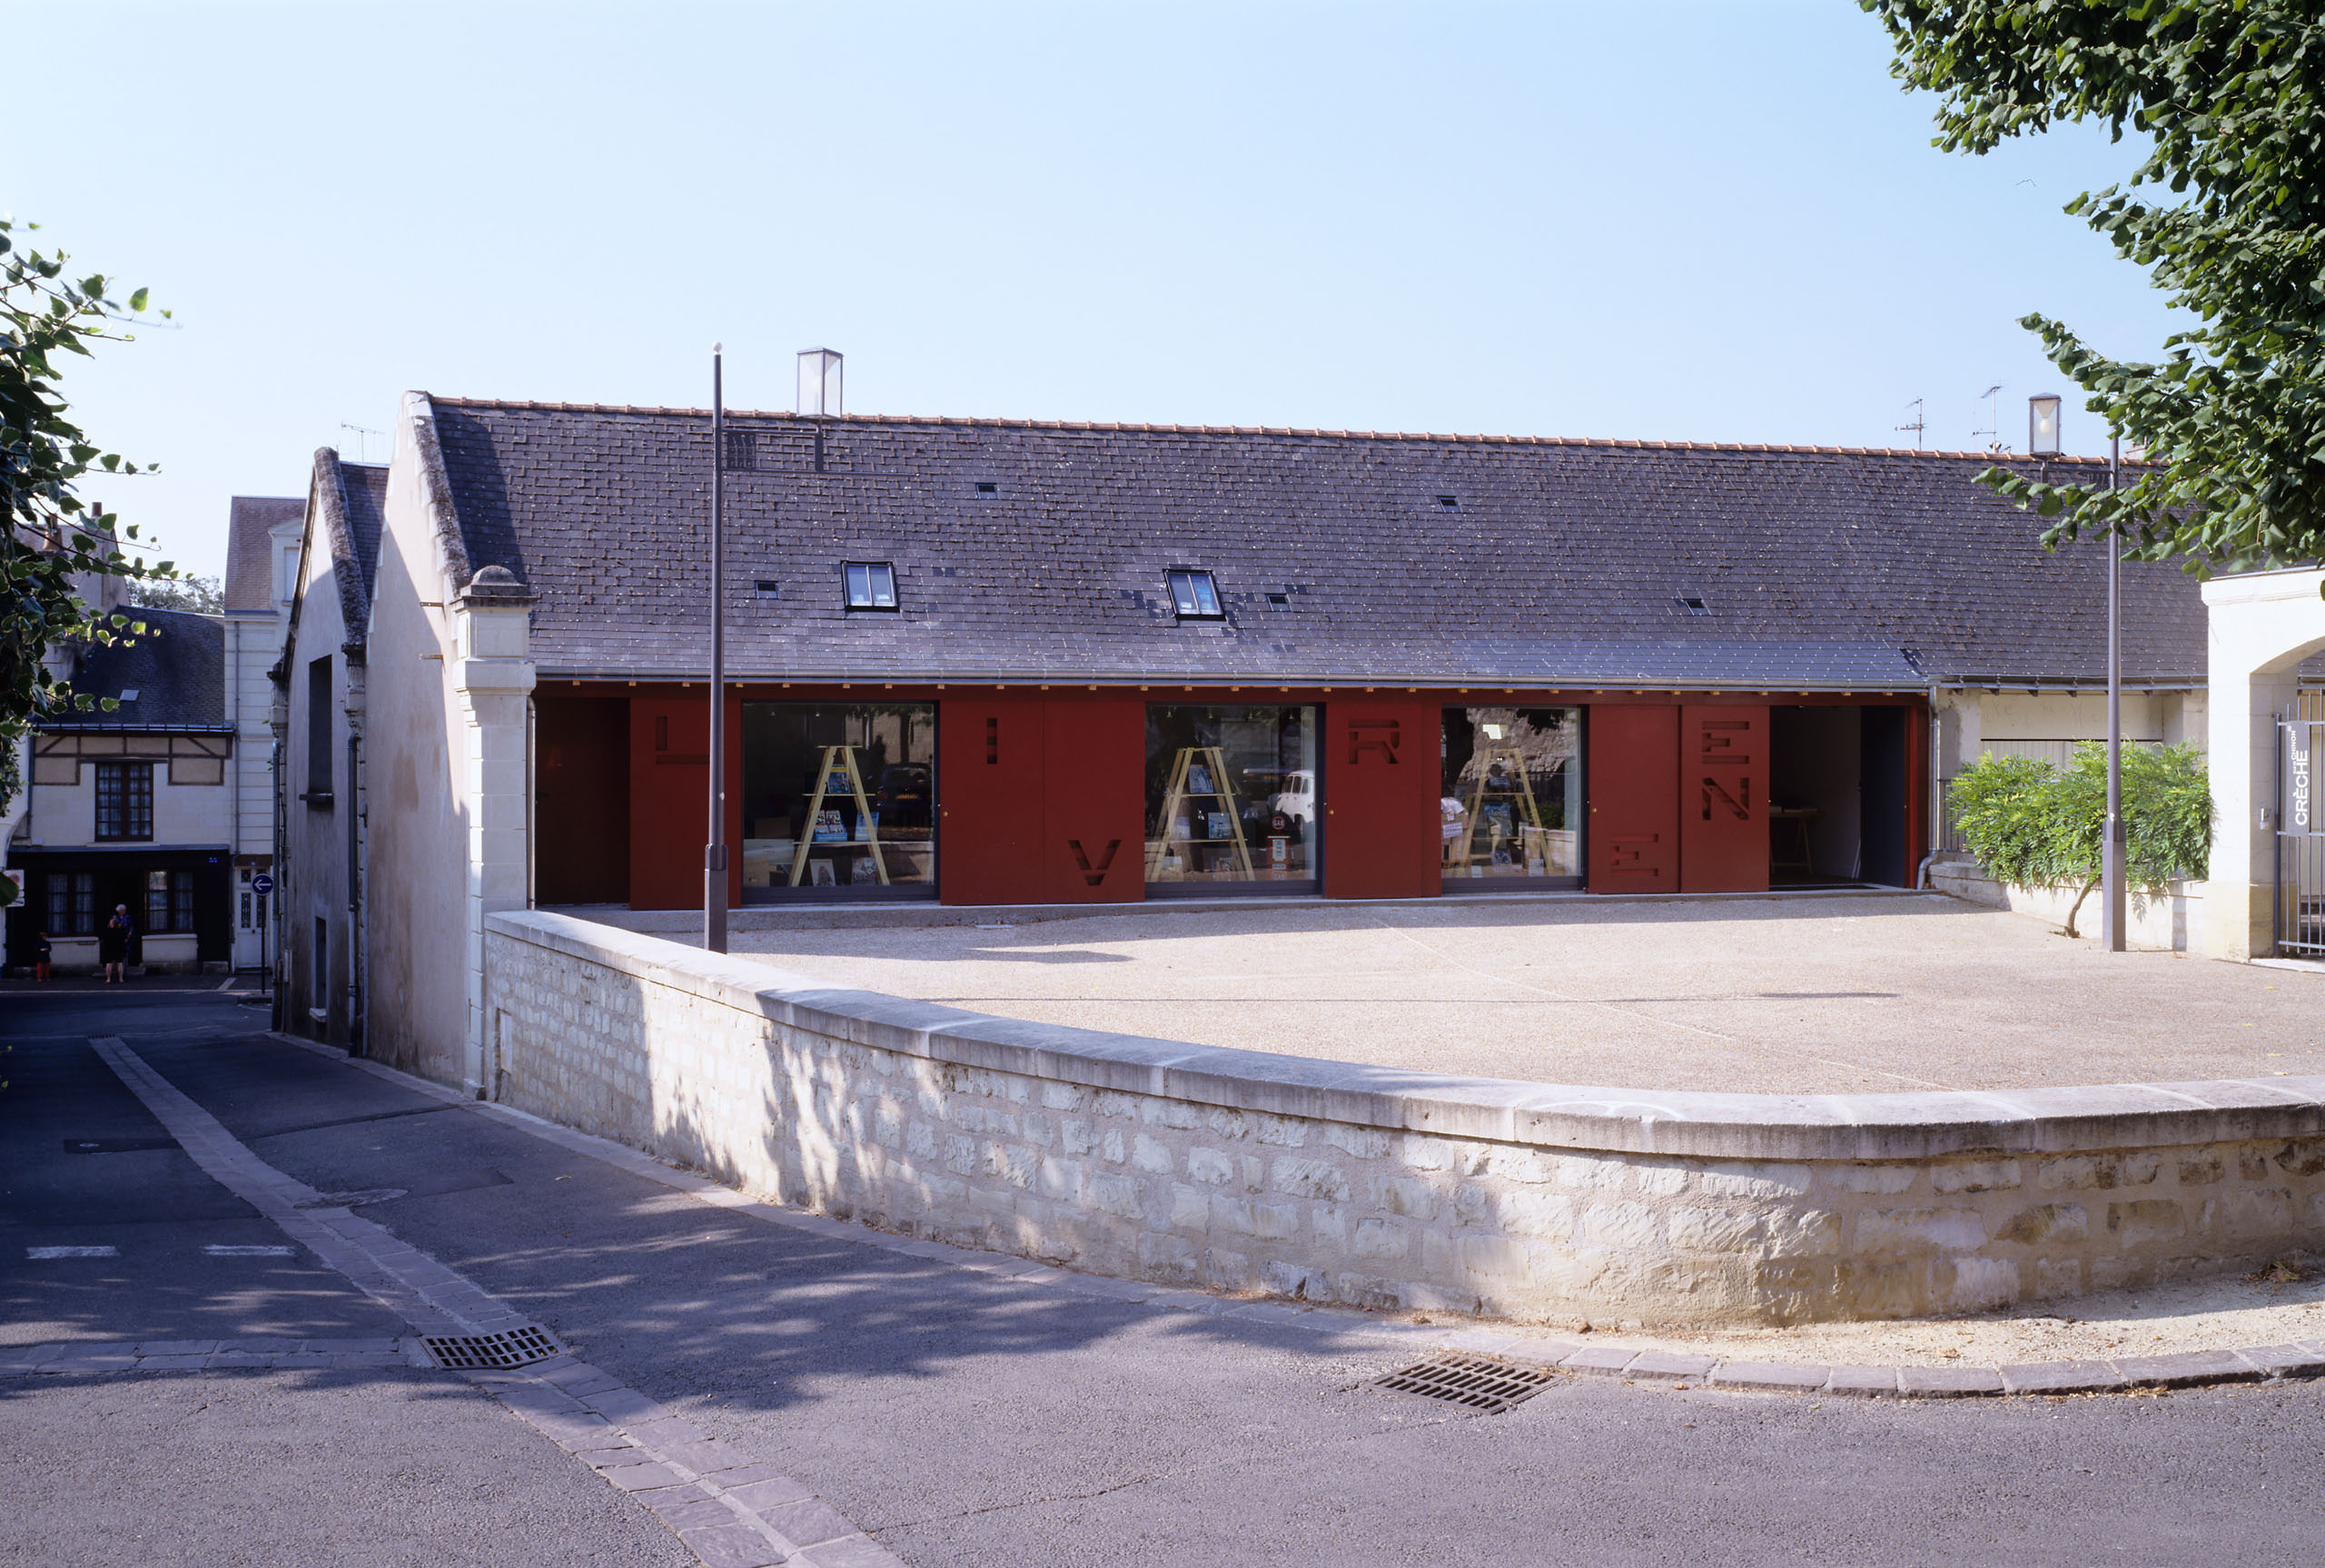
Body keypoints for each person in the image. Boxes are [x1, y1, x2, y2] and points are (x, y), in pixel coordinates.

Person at [99, 903, 133, 983]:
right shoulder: (121, 930)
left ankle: (108, 978)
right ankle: (121, 978)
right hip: (119, 947)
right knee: (120, 963)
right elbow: (125, 936)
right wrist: (126, 938)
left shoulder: (107, 930)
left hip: (109, 948)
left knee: (109, 963)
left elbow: (103, 938)